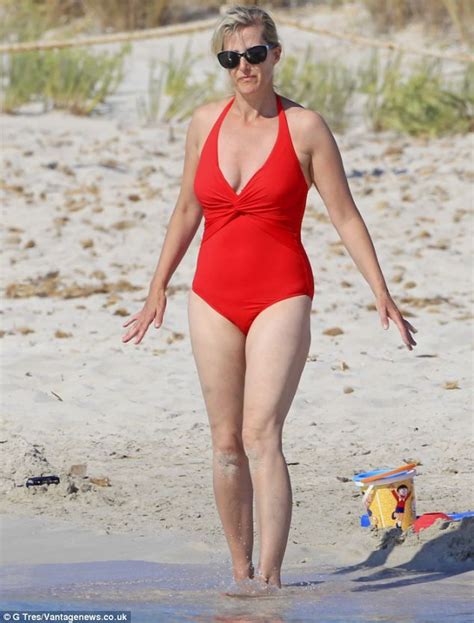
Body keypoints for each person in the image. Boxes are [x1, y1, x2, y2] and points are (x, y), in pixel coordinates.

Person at [122, 4, 418, 594]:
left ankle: (271, 580)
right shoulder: (204, 122)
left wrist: (381, 291)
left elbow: (344, 215)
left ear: (275, 55)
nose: (244, 67)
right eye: (231, 58)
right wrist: (157, 288)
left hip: (282, 293)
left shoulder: (305, 128)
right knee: (225, 442)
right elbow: (186, 210)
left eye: (254, 54)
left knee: (261, 434)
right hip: (211, 295)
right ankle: (241, 580)